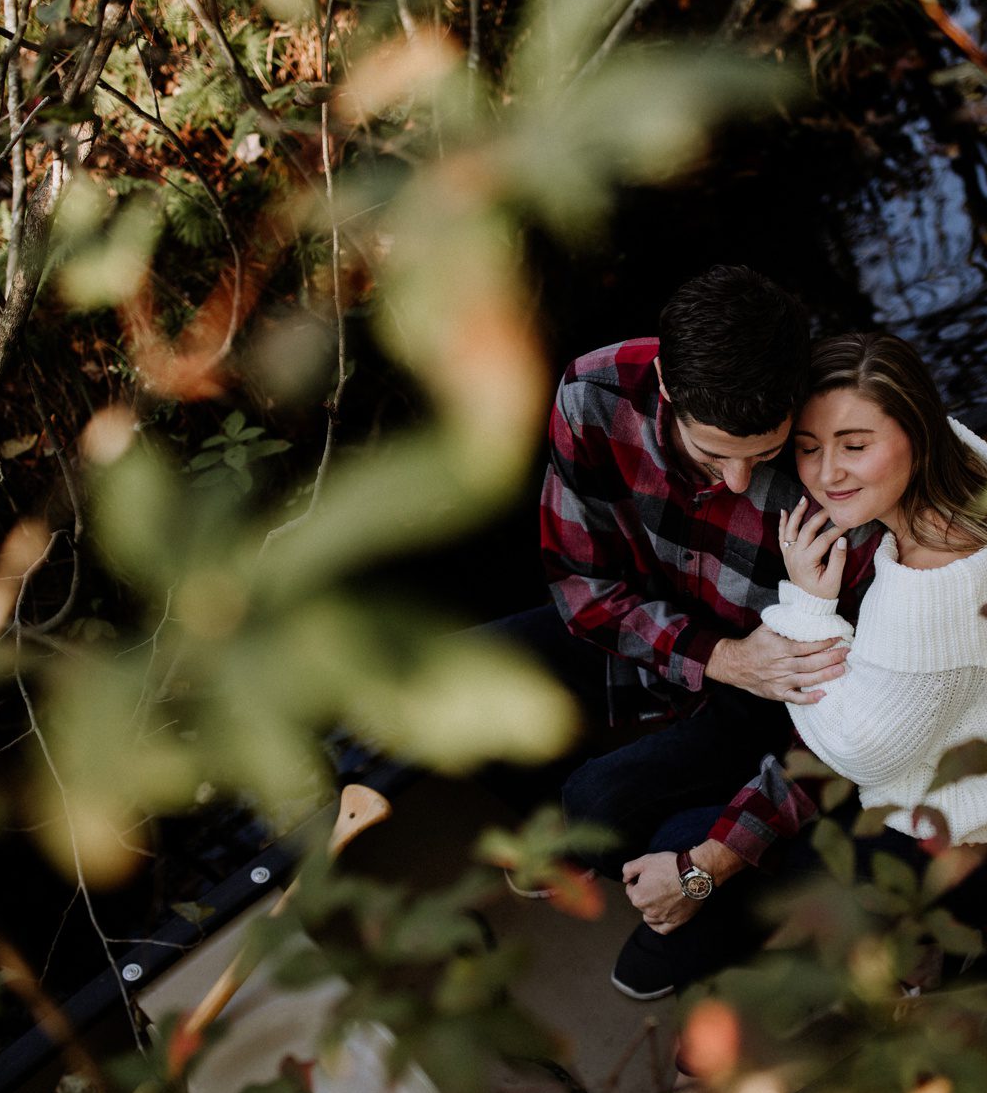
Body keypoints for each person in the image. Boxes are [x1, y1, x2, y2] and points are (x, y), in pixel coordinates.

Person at [335, 266, 880, 999]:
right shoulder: (594, 394)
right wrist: (717, 655)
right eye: (714, 455)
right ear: (665, 387)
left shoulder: (838, 469)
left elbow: (851, 727)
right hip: (660, 634)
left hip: (775, 702)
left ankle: (686, 847)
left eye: (763, 454)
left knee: (608, 824)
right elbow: (581, 589)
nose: (739, 481)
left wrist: (711, 858)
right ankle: (590, 828)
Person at [610, 330, 987, 1093]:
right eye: (811, 447)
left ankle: (702, 1090)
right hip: (944, 777)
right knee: (696, 845)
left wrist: (809, 606)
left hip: (957, 833)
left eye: (855, 445)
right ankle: (891, 966)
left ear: (916, 431)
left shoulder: (933, 592)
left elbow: (855, 749)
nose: (825, 475)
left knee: (734, 923)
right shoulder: (963, 462)